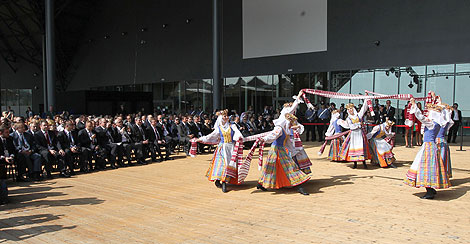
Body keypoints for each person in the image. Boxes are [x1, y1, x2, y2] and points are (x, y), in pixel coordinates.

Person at [404, 96, 450, 199]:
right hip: (432, 146)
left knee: (426, 168)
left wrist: (413, 104)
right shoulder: (438, 123)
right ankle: (431, 189)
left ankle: (429, 191)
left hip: (428, 147)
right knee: (431, 168)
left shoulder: (432, 124)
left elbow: (420, 116)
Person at [257, 113, 310, 195]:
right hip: (275, 150)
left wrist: (292, 151)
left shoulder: (285, 129)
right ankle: (299, 186)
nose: (291, 126)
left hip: (280, 149)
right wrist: (264, 139)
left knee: (272, 167)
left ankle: (261, 184)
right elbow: (272, 136)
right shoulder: (279, 128)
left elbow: (287, 142)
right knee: (288, 167)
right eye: (290, 123)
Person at [196, 109, 244, 193]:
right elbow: (211, 135)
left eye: (226, 116)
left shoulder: (232, 126)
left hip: (231, 147)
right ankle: (223, 182)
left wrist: (239, 137)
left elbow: (237, 132)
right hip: (222, 148)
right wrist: (200, 139)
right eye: (224, 116)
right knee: (223, 164)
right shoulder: (219, 128)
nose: (226, 118)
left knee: (230, 164)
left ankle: (224, 180)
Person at [339, 100, 372, 169]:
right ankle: (355, 163)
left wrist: (366, 99)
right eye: (348, 109)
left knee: (361, 146)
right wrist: (358, 125)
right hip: (354, 134)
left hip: (359, 134)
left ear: (353, 109)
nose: (350, 110)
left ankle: (364, 162)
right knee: (354, 147)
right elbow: (351, 126)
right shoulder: (348, 118)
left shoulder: (358, 115)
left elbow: (364, 108)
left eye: (351, 108)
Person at [436, 104, 453, 179]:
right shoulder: (446, 123)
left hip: (438, 142)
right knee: (442, 159)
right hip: (442, 142)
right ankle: (443, 176)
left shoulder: (438, 123)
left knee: (440, 160)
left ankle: (440, 176)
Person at [0, 124, 15, 205]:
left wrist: (11, 156)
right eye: (6, 132)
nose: (8, 134)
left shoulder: (9, 139)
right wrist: (4, 158)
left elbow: (12, 149)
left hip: (8, 157)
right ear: (1, 133)